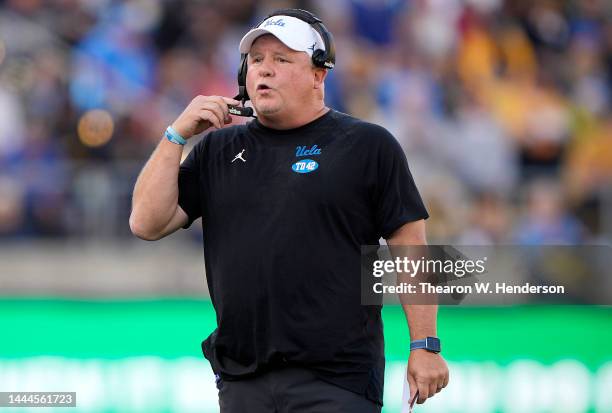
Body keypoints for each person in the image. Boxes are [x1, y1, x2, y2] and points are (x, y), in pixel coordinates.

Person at [130, 8, 449, 413]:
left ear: (319, 74)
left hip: (336, 381)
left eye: (281, 60)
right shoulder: (217, 149)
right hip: (242, 381)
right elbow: (145, 222)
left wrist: (425, 344)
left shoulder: (369, 145)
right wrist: (175, 135)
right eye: (257, 60)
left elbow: (413, 250)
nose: (265, 70)